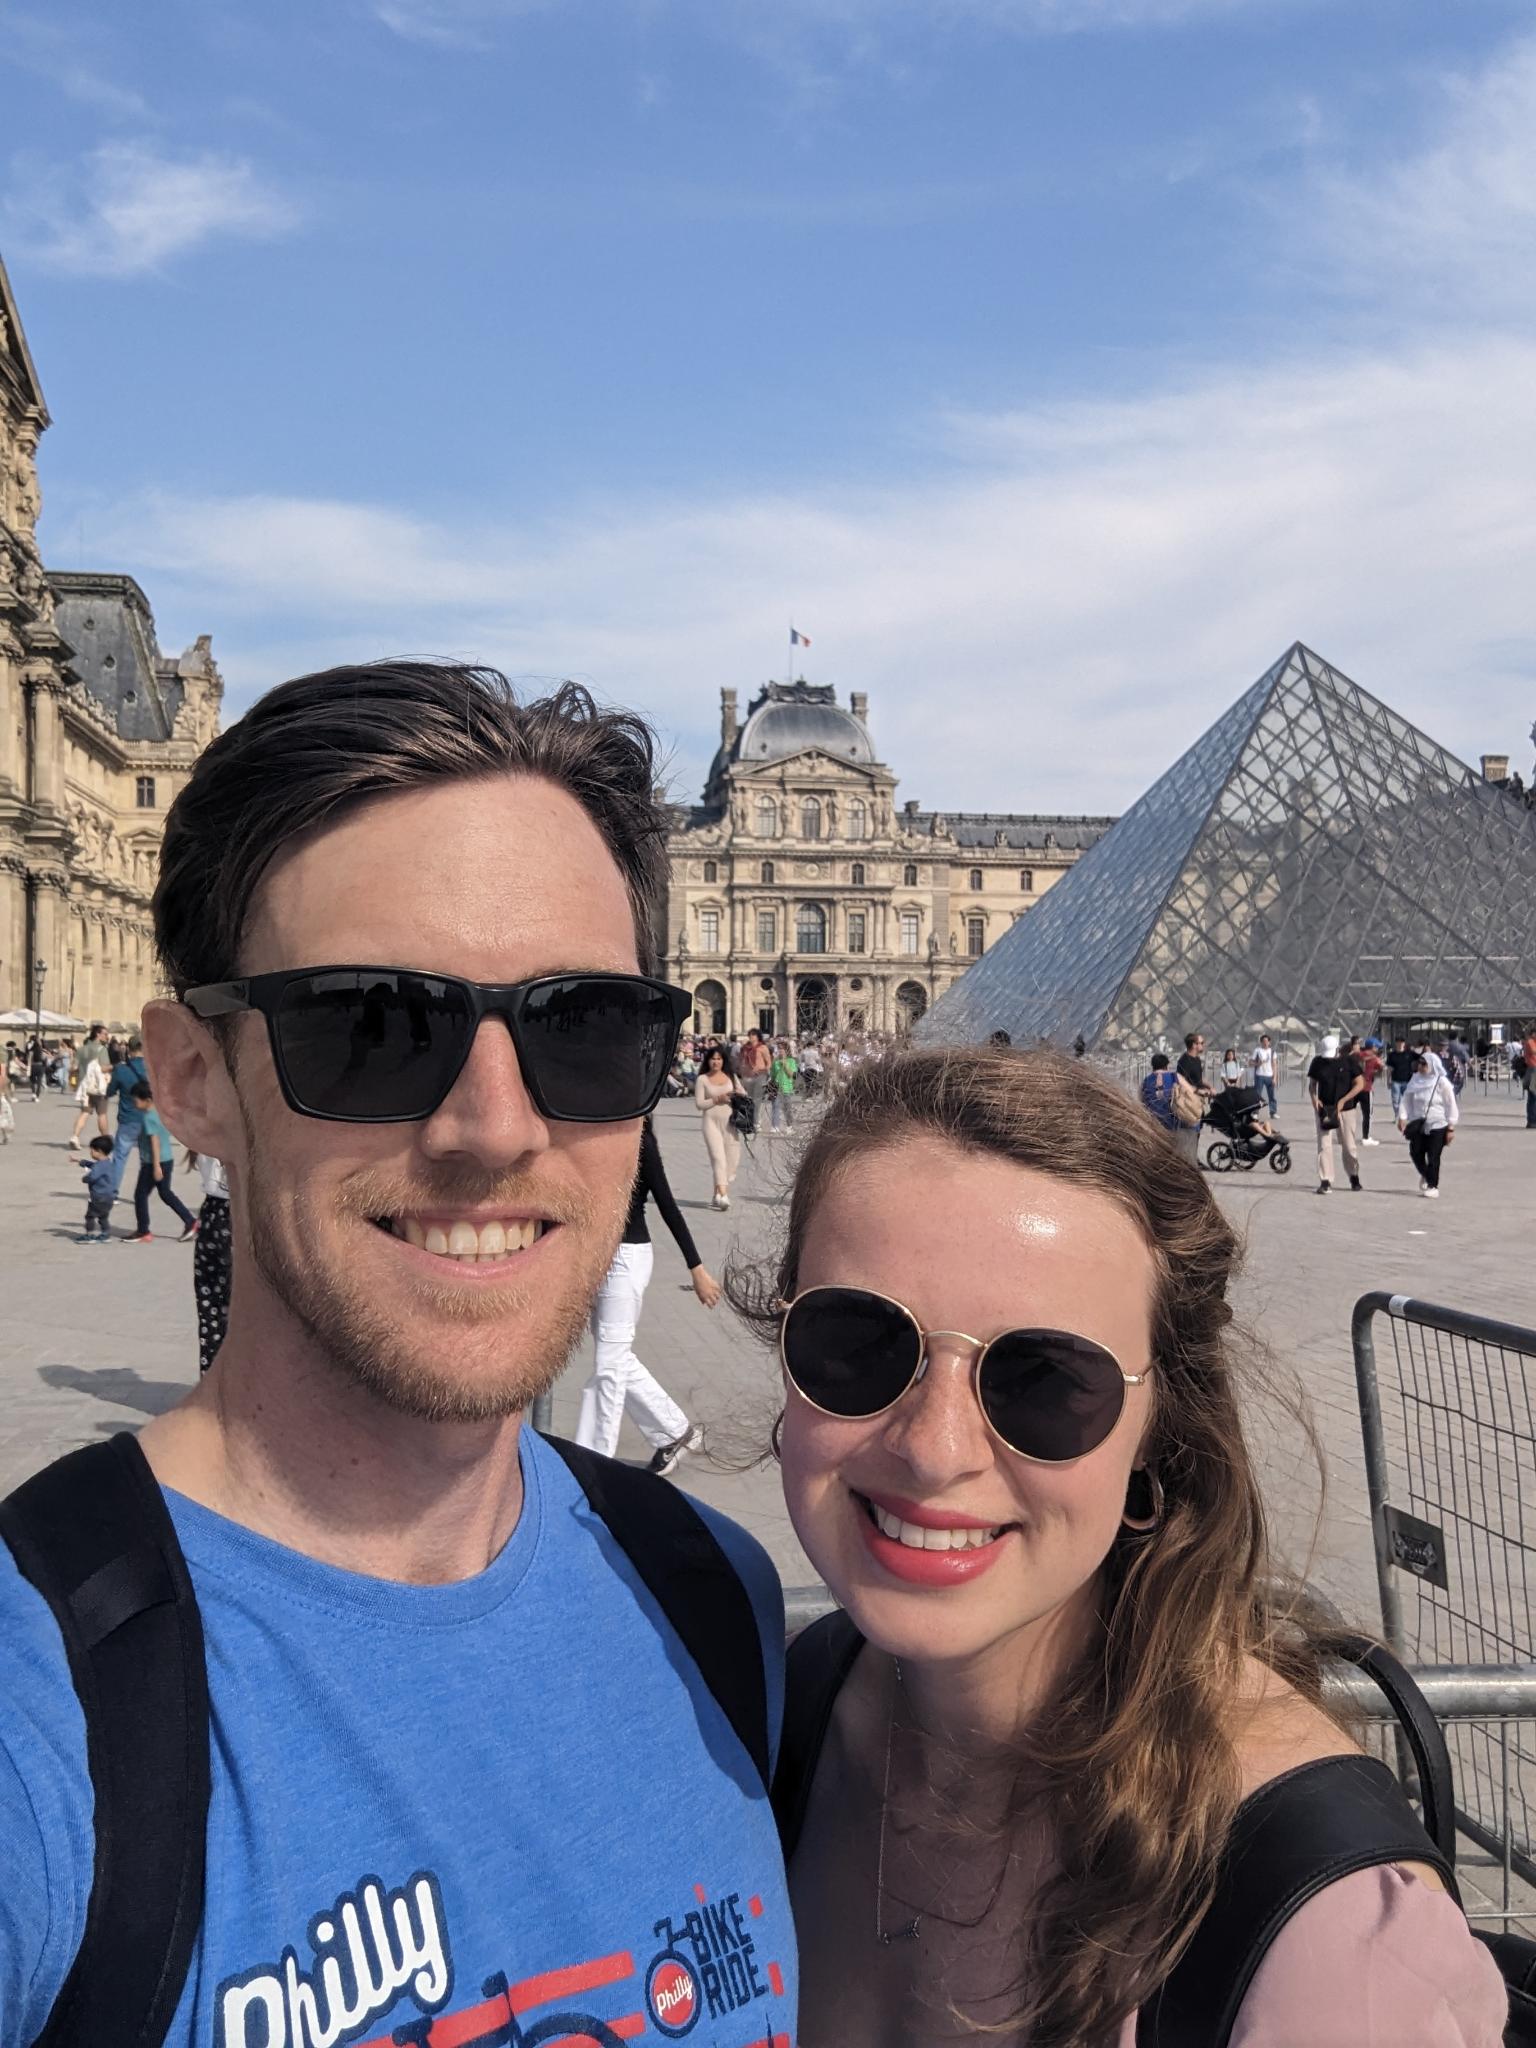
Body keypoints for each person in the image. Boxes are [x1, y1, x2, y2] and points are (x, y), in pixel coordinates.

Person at [0, 661, 796, 2048]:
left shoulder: (719, 1607)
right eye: (374, 1026)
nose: (495, 1127)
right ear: (189, 1077)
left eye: (588, 1028)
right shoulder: (39, 1721)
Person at [756, 1046, 1506, 2046]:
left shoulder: (1321, 1939)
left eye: (1047, 1379)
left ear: (1161, 1432)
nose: (934, 1450)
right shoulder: (777, 1710)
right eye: (856, 1343)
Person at [574, 1113, 718, 1474]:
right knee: (616, 1357)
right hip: (596, 1256)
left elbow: (668, 1205)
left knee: (609, 1363)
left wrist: (696, 1267)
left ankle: (593, 1464)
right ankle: (674, 1431)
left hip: (626, 1258)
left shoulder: (641, 1142)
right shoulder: (590, 1135)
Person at [126, 1078, 200, 1243]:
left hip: (153, 1162)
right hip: (167, 1159)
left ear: (147, 1100)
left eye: (136, 1100)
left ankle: (143, 1230)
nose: (134, 1103)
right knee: (165, 1193)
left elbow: (155, 1142)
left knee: (140, 1195)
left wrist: (156, 1166)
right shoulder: (160, 1113)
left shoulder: (148, 1118)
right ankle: (190, 1221)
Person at [188, 1151, 232, 1371]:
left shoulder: (201, 1141)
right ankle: (235, 1385)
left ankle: (211, 1378)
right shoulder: (228, 1139)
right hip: (232, 1215)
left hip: (209, 1215)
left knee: (209, 1307)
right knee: (238, 1307)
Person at [1308, 1031, 1366, 1194]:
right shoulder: (1318, 1062)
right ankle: (1326, 1180)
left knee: (1348, 1145)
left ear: (1338, 1049)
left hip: (1346, 1108)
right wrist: (1314, 1098)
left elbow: (1359, 1084)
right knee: (1324, 1145)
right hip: (1324, 1108)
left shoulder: (1349, 1062)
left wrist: (1343, 1100)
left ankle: (1354, 1176)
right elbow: (1312, 1084)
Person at [1398, 1053, 1459, 1199]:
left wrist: (1451, 1126)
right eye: (1419, 1063)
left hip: (1438, 1123)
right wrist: (1402, 1117)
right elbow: (1406, 1098)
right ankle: (1426, 1174)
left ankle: (1433, 1185)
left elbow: (1451, 1104)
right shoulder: (1415, 1079)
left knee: (1433, 1155)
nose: (1420, 1067)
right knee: (1415, 1152)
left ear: (1432, 1065)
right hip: (1418, 1122)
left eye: (1424, 1064)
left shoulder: (1441, 1082)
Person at [696, 1043, 746, 1209]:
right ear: (708, 1061)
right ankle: (724, 1196)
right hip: (710, 1122)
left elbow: (743, 1094)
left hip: (730, 1123)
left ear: (723, 1061)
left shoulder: (731, 1077)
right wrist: (717, 1099)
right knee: (718, 1158)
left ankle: (717, 1193)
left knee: (732, 1160)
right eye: (712, 1059)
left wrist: (737, 1095)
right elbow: (699, 1104)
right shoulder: (702, 1079)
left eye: (718, 1059)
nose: (715, 1062)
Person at [103, 1033, 150, 1194]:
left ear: (129, 1049)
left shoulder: (121, 1070)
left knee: (120, 1157)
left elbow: (109, 1092)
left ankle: (113, 1192)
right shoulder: (153, 1069)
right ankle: (142, 1194)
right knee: (146, 1160)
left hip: (128, 1119)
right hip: (149, 1119)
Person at [69, 1033, 111, 1151]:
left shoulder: (81, 1050)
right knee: (102, 1114)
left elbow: (74, 1067)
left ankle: (75, 1136)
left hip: (85, 1086)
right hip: (98, 1088)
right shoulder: (102, 1050)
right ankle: (106, 1140)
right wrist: (113, 1067)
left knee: (85, 1112)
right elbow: (103, 1068)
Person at [79, 1133, 116, 1241]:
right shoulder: (108, 1163)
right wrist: (83, 1162)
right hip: (109, 1197)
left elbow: (93, 1176)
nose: (91, 1152)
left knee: (90, 1216)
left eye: (92, 1150)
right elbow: (94, 1166)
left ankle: (89, 1235)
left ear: (99, 1151)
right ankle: (105, 1234)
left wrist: (85, 1179)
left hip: (98, 1197)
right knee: (103, 1217)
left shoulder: (99, 1166)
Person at [1353, 1036, 1384, 1145]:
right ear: (1373, 1047)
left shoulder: (1357, 1055)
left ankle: (1346, 1134)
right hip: (1366, 1088)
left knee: (1349, 1112)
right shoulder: (1375, 1059)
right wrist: (1379, 1069)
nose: (1378, 1049)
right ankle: (1365, 1137)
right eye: (1377, 1047)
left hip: (1354, 1088)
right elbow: (1380, 1072)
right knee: (1367, 1115)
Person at [1139, 1050, 1179, 1133]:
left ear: (1153, 1066)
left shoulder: (1146, 1080)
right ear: (1166, 1066)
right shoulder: (1173, 1077)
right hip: (1170, 1123)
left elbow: (1141, 1100)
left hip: (1151, 1123)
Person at [738, 1026, 772, 1125]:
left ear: (758, 1036)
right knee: (749, 1099)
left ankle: (755, 1122)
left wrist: (764, 1070)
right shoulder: (745, 1048)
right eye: (750, 1035)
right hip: (748, 1076)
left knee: (757, 1100)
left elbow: (768, 1062)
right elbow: (742, 1061)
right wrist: (742, 1070)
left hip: (760, 1075)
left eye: (754, 1035)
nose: (751, 1037)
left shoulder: (763, 1048)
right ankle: (751, 1119)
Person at [769, 1037, 799, 1132]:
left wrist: (785, 1064)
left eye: (782, 1048)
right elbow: (772, 1075)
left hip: (787, 1087)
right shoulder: (775, 1062)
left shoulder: (791, 1061)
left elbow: (791, 1074)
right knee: (775, 1106)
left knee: (787, 1108)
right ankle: (775, 1126)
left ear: (786, 1050)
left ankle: (790, 1126)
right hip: (777, 1087)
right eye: (779, 1048)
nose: (780, 1050)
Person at [1386, 1036, 1416, 1120]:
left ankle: (1406, 1115)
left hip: (1407, 1080)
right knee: (1395, 1100)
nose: (1400, 1044)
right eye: (1398, 1042)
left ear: (1404, 1043)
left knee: (1407, 1099)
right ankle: (1397, 1114)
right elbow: (1389, 1068)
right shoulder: (1392, 1055)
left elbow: (1421, 1057)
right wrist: (1388, 1080)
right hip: (1396, 1081)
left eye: (1402, 1042)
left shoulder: (1409, 1053)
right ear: (1396, 1043)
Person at [1250, 1033, 1278, 1117]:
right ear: (1261, 1042)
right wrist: (1258, 1063)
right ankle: (1255, 1112)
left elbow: (1274, 1065)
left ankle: (1273, 1112)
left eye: (1267, 1041)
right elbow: (1250, 1062)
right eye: (1263, 1041)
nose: (1265, 1043)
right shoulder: (1257, 1050)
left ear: (1269, 1042)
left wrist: (1275, 1078)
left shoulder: (1272, 1052)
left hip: (1269, 1076)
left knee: (1271, 1095)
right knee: (1257, 1095)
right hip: (1260, 1075)